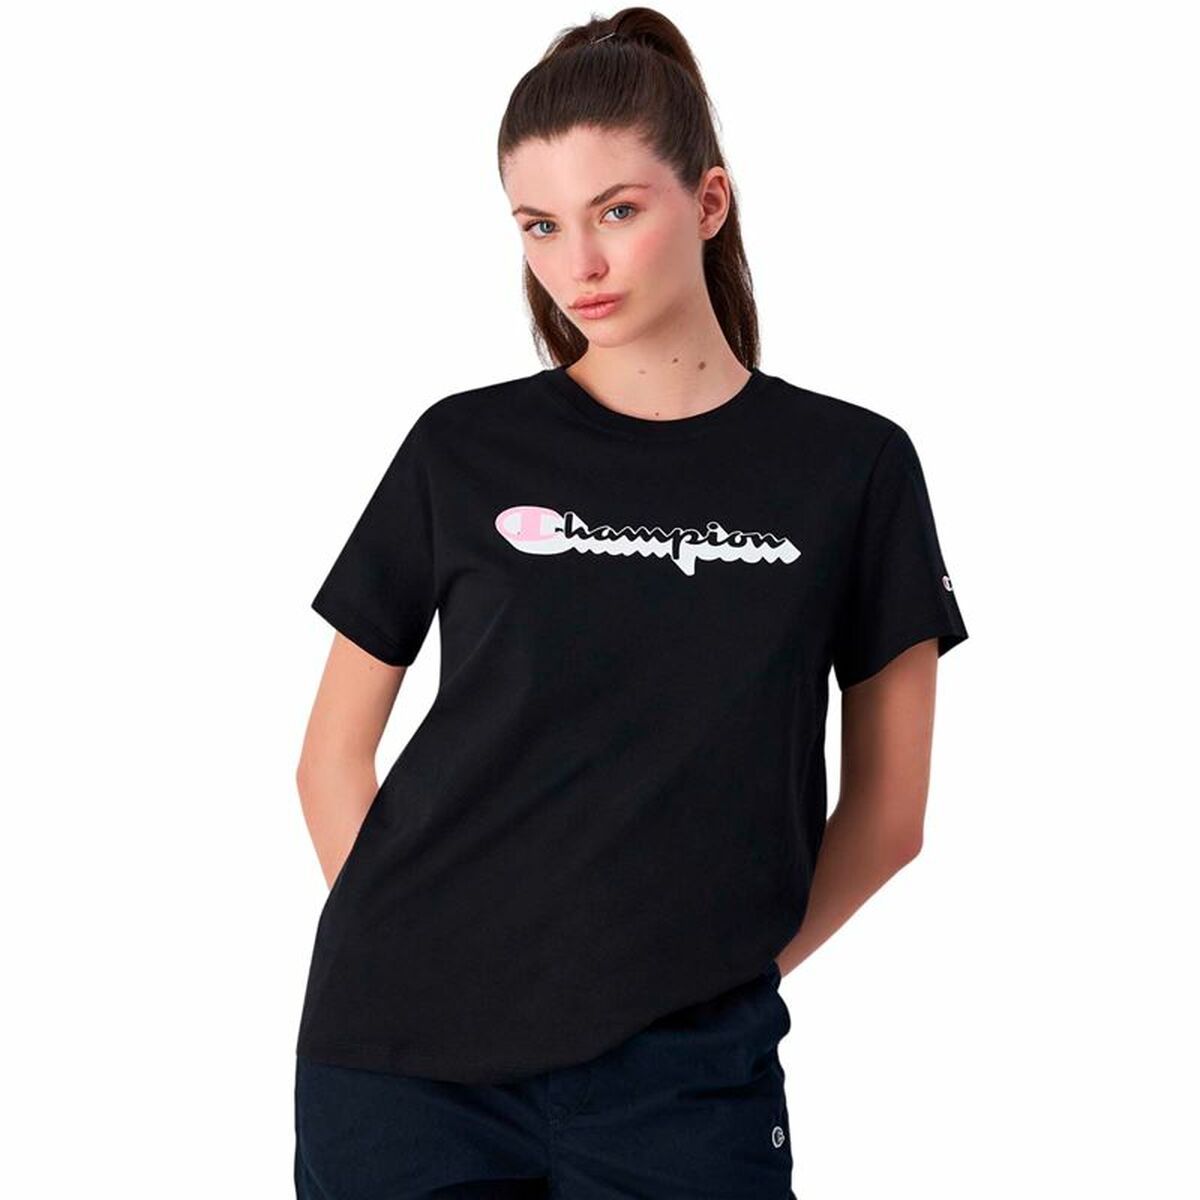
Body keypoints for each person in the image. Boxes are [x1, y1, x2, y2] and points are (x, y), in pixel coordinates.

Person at [292, 8, 969, 1198]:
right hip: (400, 1066)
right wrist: (430, 958)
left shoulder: (852, 468)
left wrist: (702, 984)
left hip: (684, 1077)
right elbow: (330, 760)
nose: (578, 267)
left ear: (708, 202)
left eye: (616, 211)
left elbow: (890, 813)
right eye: (540, 226)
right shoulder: (463, 449)